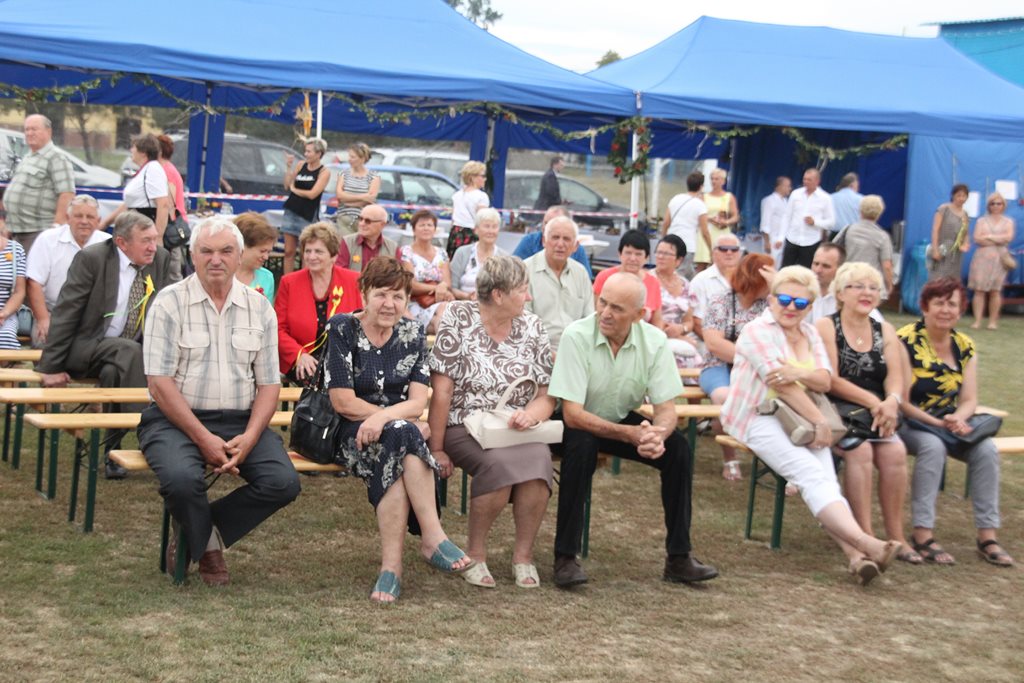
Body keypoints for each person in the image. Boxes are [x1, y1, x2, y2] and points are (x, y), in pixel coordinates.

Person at [138, 216, 301, 587]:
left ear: (239, 255)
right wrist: (201, 437)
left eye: (226, 251)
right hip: (174, 420)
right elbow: (159, 384)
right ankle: (209, 550)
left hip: (241, 420)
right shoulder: (169, 303)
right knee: (181, 480)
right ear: (192, 256)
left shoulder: (260, 308)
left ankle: (199, 529)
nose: (216, 259)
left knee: (283, 482)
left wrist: (251, 434)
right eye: (206, 251)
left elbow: (269, 384)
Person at [721, 266, 901, 585]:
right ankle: (865, 543)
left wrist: (797, 372)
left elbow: (823, 379)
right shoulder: (756, 331)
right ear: (771, 299)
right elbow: (781, 385)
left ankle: (856, 558)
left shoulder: (810, 333)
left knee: (825, 480)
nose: (791, 307)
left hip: (799, 416)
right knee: (810, 475)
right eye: (784, 299)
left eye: (800, 303)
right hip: (756, 415)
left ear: (811, 306)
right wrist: (819, 420)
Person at [549, 272, 718, 587]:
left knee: (678, 448)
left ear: (640, 315)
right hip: (573, 421)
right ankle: (565, 558)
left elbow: (667, 409)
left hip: (616, 417)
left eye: (617, 308)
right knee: (583, 444)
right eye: (603, 302)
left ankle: (679, 558)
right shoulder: (576, 335)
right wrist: (631, 434)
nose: (606, 313)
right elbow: (573, 414)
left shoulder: (653, 341)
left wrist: (658, 435)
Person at [326, 257, 472, 603]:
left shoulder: (413, 333)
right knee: (405, 434)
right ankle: (431, 538)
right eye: (381, 294)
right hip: (349, 433)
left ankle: (392, 570)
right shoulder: (342, 328)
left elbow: (418, 399)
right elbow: (343, 401)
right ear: (364, 293)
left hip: (393, 434)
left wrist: (384, 419)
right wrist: (386, 418)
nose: (389, 304)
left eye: (398, 296)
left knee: (399, 439)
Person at [429, 255, 555, 589]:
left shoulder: (533, 326)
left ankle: (523, 557)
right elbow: (442, 392)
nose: (527, 298)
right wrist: (438, 448)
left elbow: (546, 394)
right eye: (522, 290)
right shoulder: (458, 316)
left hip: (514, 427)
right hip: (463, 424)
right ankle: (476, 553)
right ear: (498, 294)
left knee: (539, 463)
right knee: (498, 466)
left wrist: (531, 415)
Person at [38, 211, 173, 478]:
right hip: (87, 346)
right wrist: (50, 366)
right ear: (122, 243)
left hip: (127, 355)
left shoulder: (160, 259)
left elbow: (166, 309)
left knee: (116, 369)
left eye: (154, 240)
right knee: (128, 350)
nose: (152, 247)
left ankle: (112, 451)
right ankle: (148, 430)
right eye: (145, 240)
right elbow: (67, 311)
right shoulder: (93, 259)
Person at [896, 277, 1013, 567]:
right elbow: (901, 400)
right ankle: (922, 535)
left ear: (961, 310)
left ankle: (987, 536)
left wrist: (958, 418)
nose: (946, 310)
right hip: (911, 422)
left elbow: (970, 399)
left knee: (986, 450)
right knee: (932, 447)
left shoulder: (965, 345)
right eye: (939, 303)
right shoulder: (905, 340)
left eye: (952, 304)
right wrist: (940, 425)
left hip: (949, 423)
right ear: (925, 306)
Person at [815, 262, 919, 564]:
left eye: (873, 287)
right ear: (840, 293)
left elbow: (895, 377)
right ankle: (865, 536)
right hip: (838, 408)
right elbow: (831, 378)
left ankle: (897, 535)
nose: (867, 293)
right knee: (860, 453)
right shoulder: (825, 325)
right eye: (857, 286)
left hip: (877, 410)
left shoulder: (884, 329)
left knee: (895, 454)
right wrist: (874, 403)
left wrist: (892, 401)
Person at [700, 253, 775, 481]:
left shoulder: (771, 305)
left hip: (757, 369)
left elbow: (785, 333)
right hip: (719, 365)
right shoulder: (721, 300)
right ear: (756, 277)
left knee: (776, 400)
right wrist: (751, 356)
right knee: (724, 396)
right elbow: (714, 343)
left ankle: (774, 461)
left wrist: (776, 288)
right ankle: (730, 458)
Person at [275, 222, 361, 382]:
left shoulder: (353, 280)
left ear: (334, 255)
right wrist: (299, 355)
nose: (311, 257)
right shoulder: (289, 282)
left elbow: (363, 323)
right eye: (308, 251)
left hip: (343, 357)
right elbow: (278, 328)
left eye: (319, 251)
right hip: (303, 358)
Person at [25, 194, 110, 346]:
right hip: (54, 313)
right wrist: (43, 319)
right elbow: (33, 283)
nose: (84, 221)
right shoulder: (47, 239)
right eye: (78, 216)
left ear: (98, 221)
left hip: (95, 317)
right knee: (43, 341)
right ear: (67, 217)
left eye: (90, 217)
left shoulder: (108, 244)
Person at [2, 114, 74, 255]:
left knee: (32, 275)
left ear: (48, 131)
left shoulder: (56, 157)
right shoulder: (29, 156)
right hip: (18, 231)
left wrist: (56, 227)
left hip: (38, 232)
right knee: (17, 275)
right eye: (26, 129)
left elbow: (67, 193)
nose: (29, 133)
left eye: (34, 129)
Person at [523, 215, 594, 349]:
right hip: (536, 350)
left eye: (566, 239)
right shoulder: (525, 270)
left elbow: (589, 320)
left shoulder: (581, 273)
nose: (560, 244)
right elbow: (523, 322)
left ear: (575, 246)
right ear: (544, 241)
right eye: (555, 237)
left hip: (576, 349)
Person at [101, 134, 170, 243]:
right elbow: (129, 204)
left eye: (134, 147)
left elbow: (163, 204)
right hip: (134, 228)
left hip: (144, 230)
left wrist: (157, 237)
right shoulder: (146, 170)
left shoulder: (153, 170)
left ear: (143, 152)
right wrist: (104, 224)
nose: (131, 150)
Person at [592, 229, 664, 328]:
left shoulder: (653, 283)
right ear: (620, 254)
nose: (633, 258)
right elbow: (594, 313)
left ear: (646, 257)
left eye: (638, 254)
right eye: (628, 253)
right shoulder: (605, 277)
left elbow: (657, 322)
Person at [398, 209, 453, 334]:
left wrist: (442, 286)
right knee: (445, 313)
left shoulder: (442, 253)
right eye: (422, 225)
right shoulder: (406, 252)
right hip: (417, 302)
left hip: (438, 301)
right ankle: (447, 350)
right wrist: (436, 288)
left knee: (439, 320)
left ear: (435, 229)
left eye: (430, 225)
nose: (426, 228)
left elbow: (447, 281)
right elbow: (411, 284)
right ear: (413, 229)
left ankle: (440, 348)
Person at [968, 192, 1015, 330]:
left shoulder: (1008, 222)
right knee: (979, 290)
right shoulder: (981, 221)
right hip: (982, 259)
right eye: (992, 203)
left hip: (1000, 260)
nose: (995, 206)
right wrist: (997, 238)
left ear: (1003, 205)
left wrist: (988, 236)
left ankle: (993, 321)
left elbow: (1008, 237)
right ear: (989, 205)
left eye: (998, 203)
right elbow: (977, 238)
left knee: (995, 291)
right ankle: (977, 320)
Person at [281, 138, 330, 275]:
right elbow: (287, 185)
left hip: (307, 214)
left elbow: (313, 194)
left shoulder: (324, 171)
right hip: (291, 210)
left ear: (319, 153)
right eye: (305, 151)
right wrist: (289, 167)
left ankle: (304, 281)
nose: (306, 154)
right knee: (288, 251)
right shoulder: (301, 165)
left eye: (309, 151)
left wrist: (295, 190)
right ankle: (288, 281)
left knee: (306, 252)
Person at [653, 235, 701, 371]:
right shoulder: (648, 280)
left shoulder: (686, 284)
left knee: (698, 362)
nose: (661, 257)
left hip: (680, 338)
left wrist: (681, 329)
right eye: (659, 252)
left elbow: (689, 321)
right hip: (656, 336)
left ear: (678, 260)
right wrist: (677, 336)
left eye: (667, 253)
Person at [832, 195, 895, 298]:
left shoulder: (848, 229)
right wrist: (889, 285)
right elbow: (887, 266)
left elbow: (833, 251)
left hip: (848, 279)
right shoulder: (882, 236)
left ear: (860, 211)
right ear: (879, 213)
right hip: (870, 284)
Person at [511, 205, 593, 278]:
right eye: (545, 223)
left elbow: (586, 279)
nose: (546, 227)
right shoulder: (529, 242)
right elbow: (512, 271)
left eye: (552, 223)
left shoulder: (577, 249)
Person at [689, 233, 742, 337]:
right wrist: (721, 346)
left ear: (739, 253)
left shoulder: (748, 279)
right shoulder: (700, 281)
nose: (729, 252)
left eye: (734, 249)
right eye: (723, 249)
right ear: (713, 253)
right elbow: (697, 322)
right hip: (708, 341)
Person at [782, 168, 835, 269]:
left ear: (817, 181)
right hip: (792, 238)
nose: (806, 182)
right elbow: (787, 216)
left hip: (811, 241)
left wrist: (815, 222)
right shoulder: (796, 194)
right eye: (804, 179)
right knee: (786, 269)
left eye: (809, 180)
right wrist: (782, 236)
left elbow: (831, 222)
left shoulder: (825, 198)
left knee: (805, 271)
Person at [450, 208, 507, 301]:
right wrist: (467, 296)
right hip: (464, 304)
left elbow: (507, 290)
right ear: (476, 230)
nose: (491, 231)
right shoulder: (462, 253)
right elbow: (452, 287)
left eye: (494, 227)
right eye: (486, 226)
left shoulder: (505, 257)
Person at [662, 170, 709, 278]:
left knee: (682, 272)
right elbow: (705, 231)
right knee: (680, 275)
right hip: (688, 244)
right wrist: (711, 247)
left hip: (671, 241)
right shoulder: (700, 204)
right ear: (701, 187)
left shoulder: (675, 198)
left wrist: (663, 238)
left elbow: (666, 223)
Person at [697, 168, 740, 270]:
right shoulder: (704, 197)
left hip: (722, 232)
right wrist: (711, 219)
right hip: (706, 231)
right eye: (712, 179)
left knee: (721, 263)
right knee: (702, 263)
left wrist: (726, 222)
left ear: (723, 181)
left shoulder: (729, 197)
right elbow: (699, 215)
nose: (714, 181)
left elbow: (735, 216)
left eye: (717, 179)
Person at [333, 142, 379, 237]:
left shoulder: (374, 177)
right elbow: (339, 196)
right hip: (344, 219)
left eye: (353, 157)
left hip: (364, 221)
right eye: (349, 156)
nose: (349, 160)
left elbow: (370, 199)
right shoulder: (343, 174)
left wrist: (348, 200)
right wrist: (362, 197)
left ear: (362, 159)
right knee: (345, 247)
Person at [336, 204, 398, 273]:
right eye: (360, 219)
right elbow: (340, 272)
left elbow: (397, 276)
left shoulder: (393, 248)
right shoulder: (347, 242)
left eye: (368, 221)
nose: (361, 224)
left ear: (382, 224)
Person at [447, 161, 490, 258]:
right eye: (482, 176)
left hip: (455, 232)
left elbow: (453, 219)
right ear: (473, 177)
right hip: (472, 234)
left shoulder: (457, 195)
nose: (485, 179)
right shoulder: (481, 197)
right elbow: (482, 219)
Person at [928, 184, 971, 282]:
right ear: (953, 195)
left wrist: (965, 244)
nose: (961, 198)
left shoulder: (965, 214)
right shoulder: (944, 209)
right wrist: (935, 250)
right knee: (937, 279)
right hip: (942, 248)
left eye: (964, 196)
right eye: (959, 195)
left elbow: (966, 234)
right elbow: (935, 230)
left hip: (956, 254)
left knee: (952, 281)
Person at [234, 212, 278, 302]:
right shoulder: (221, 274)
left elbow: (267, 314)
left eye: (269, 252)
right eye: (262, 251)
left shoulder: (267, 277)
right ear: (242, 246)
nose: (266, 257)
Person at [807, 243, 846, 323]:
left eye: (826, 266)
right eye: (816, 264)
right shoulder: (800, 293)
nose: (818, 270)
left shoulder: (848, 299)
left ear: (840, 269)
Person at [0, 233, 26, 349]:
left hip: (6, 312)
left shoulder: (16, 249)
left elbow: (19, 292)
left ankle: (7, 366)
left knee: (5, 336)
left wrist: (3, 314)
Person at [760, 176, 791, 268]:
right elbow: (765, 222)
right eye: (787, 186)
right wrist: (767, 242)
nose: (790, 188)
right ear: (779, 187)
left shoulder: (786, 201)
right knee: (769, 265)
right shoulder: (770, 200)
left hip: (782, 239)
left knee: (778, 266)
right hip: (771, 239)